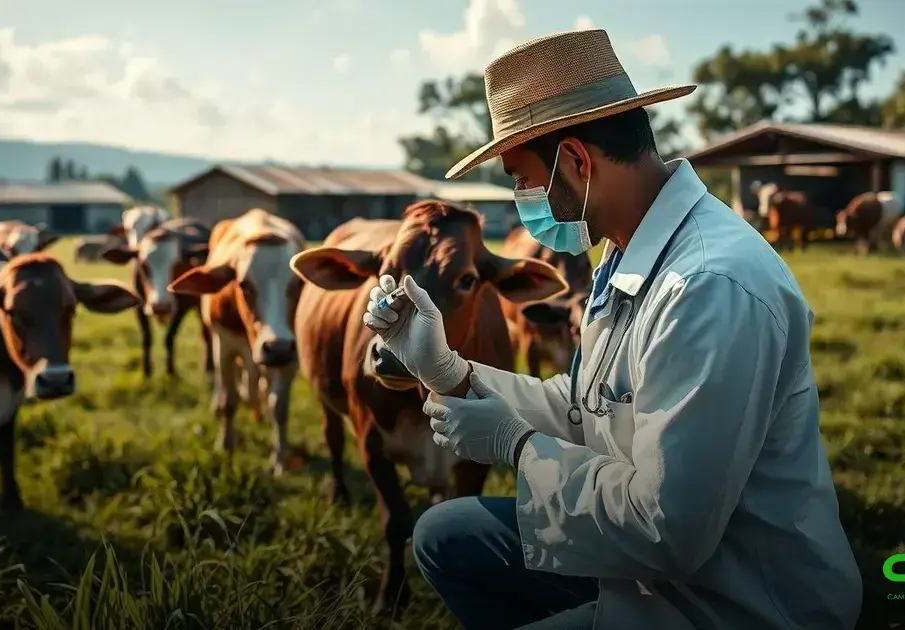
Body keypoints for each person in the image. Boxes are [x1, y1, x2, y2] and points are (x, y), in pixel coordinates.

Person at [362, 29, 862, 630]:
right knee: (447, 531)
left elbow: (667, 531)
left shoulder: (706, 288)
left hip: (733, 604)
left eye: (522, 178)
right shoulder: (628, 253)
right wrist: (449, 371)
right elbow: (586, 407)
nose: (522, 198)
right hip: (658, 576)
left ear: (576, 161)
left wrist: (517, 447)